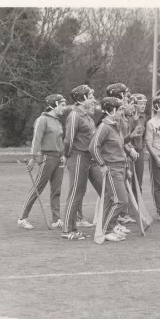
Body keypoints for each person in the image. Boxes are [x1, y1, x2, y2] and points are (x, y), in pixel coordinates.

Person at [61, 85, 104, 240]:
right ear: (82, 99)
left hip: (88, 158)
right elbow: (68, 140)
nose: (93, 99)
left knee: (80, 193)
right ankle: (67, 230)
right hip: (78, 157)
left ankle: (73, 227)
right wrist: (66, 156)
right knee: (75, 193)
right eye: (90, 96)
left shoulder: (86, 116)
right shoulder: (74, 116)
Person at [17, 94, 67, 230]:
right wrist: (33, 157)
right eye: (62, 105)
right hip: (47, 158)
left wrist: (63, 154)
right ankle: (22, 218)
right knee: (37, 187)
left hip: (58, 159)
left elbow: (60, 140)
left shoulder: (57, 121)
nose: (64, 108)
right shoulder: (42, 120)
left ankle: (56, 219)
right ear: (54, 105)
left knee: (56, 190)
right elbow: (36, 139)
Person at [89, 97, 132, 242]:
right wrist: (101, 164)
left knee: (111, 201)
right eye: (120, 109)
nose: (122, 112)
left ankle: (108, 227)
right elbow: (93, 147)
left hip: (120, 168)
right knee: (121, 201)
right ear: (111, 110)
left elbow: (119, 146)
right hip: (111, 169)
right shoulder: (104, 127)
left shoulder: (116, 125)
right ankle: (106, 230)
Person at [105, 83, 141, 226]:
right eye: (125, 94)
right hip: (113, 160)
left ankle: (115, 222)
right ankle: (106, 224)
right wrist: (129, 149)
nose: (127, 96)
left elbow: (123, 138)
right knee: (111, 195)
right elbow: (116, 140)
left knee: (117, 194)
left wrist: (129, 144)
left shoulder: (123, 115)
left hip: (121, 158)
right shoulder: (113, 117)